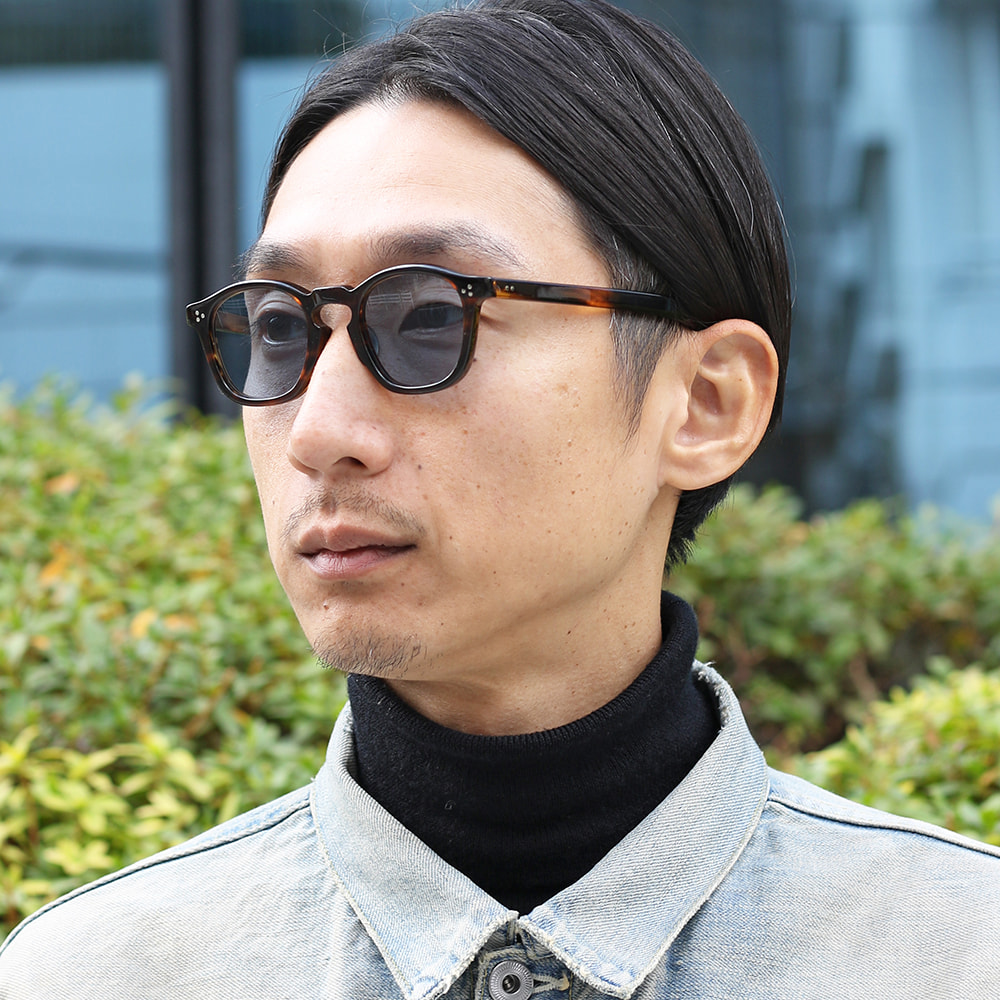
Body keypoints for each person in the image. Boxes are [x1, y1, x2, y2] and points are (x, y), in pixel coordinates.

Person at [2, 0, 998, 997]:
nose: (316, 432)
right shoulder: (100, 975)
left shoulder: (952, 957)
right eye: (279, 328)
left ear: (706, 403)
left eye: (430, 318)